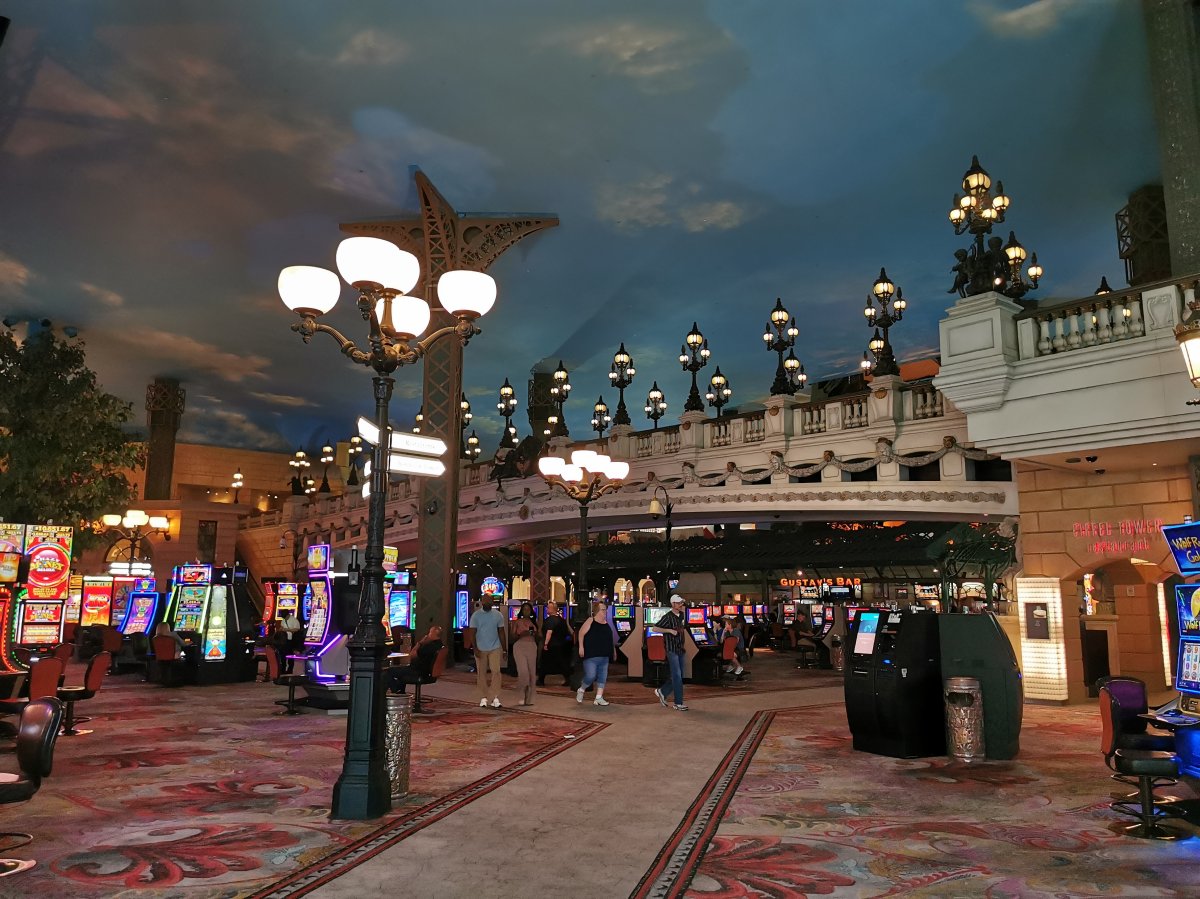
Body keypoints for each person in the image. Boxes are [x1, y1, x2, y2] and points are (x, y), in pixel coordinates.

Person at [467, 594, 507, 707]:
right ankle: (483, 697)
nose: (487, 603)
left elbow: (501, 632)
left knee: (496, 672)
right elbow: (472, 633)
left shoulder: (498, 615)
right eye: (485, 601)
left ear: (492, 602)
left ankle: (495, 697)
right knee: (481, 673)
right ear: (482, 602)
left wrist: (504, 650)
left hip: (495, 647)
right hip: (480, 648)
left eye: (489, 601)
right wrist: (475, 648)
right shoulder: (476, 616)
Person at [576, 600, 616, 707]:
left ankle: (599, 697)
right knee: (591, 675)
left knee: (603, 677)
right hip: (591, 654)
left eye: (605, 610)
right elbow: (581, 633)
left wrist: (613, 651)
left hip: (605, 654)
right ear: (597, 611)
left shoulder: (607, 623)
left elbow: (610, 639)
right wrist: (581, 647)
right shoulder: (591, 621)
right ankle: (582, 689)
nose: (605, 612)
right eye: (603, 610)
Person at [653, 594, 689, 711]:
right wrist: (668, 630)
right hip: (671, 649)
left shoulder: (681, 615)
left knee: (679, 675)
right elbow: (655, 628)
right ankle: (678, 703)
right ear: (673, 604)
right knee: (677, 675)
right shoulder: (667, 617)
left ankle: (662, 691)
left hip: (680, 649)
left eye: (681, 603)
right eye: (678, 603)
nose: (680, 605)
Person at [388, 626, 444, 694]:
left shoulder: (429, 646)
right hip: (427, 672)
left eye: (429, 633)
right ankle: (400, 692)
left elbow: (411, 655)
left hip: (419, 672)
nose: (427, 635)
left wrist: (420, 643)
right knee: (401, 670)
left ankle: (396, 690)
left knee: (388, 670)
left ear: (432, 634)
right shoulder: (440, 645)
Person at [537, 600, 574, 687]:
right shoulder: (562, 620)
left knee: (544, 663)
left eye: (548, 608)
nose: (546, 609)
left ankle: (541, 680)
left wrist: (545, 644)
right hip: (561, 644)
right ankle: (568, 679)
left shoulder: (550, 620)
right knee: (562, 663)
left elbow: (549, 632)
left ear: (552, 609)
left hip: (551, 645)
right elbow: (568, 631)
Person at [510, 602, 539, 706]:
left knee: (531, 673)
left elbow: (539, 637)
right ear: (521, 611)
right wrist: (521, 634)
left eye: (528, 609)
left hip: (531, 646)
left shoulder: (534, 622)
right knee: (523, 672)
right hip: (520, 646)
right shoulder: (517, 622)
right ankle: (521, 695)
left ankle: (529, 698)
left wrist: (535, 633)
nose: (526, 611)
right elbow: (512, 637)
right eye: (524, 609)